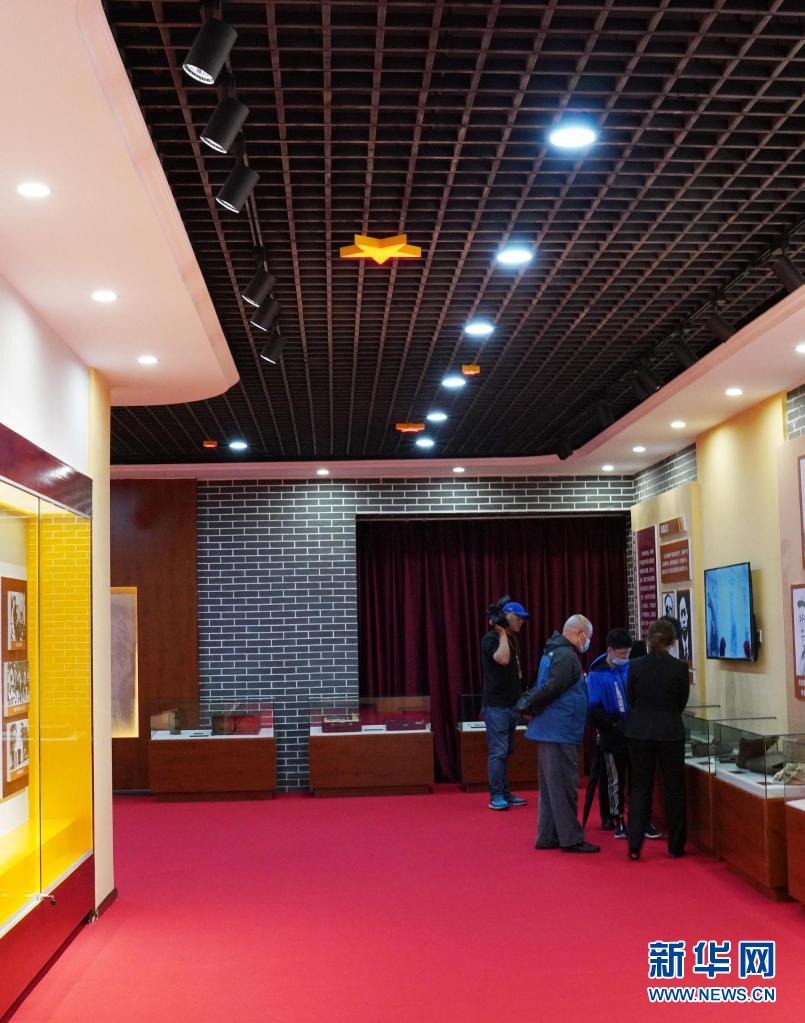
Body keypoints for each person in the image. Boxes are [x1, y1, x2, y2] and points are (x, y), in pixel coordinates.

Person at [518, 614, 600, 853]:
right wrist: (528, 705)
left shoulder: (554, 651)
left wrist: (530, 705)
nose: (588, 641)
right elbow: (552, 688)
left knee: (550, 789)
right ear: (579, 633)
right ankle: (571, 838)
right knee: (564, 787)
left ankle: (548, 836)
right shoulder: (566, 656)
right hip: (559, 731)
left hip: (551, 730)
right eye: (588, 636)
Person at [586, 629, 662, 841]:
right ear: (610, 651)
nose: (625, 657)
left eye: (628, 653)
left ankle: (641, 819)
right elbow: (593, 708)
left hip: (636, 732)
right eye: (622, 653)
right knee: (615, 780)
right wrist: (613, 725)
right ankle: (617, 818)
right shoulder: (596, 674)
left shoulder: (633, 667)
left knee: (640, 779)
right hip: (612, 733)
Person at [625, 619, 690, 860]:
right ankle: (676, 846)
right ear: (673, 641)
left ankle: (634, 844)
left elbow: (631, 698)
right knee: (674, 789)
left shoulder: (635, 666)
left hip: (639, 731)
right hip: (670, 732)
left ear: (648, 639)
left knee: (640, 787)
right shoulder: (680, 668)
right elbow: (681, 701)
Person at [480, 599, 530, 811]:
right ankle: (496, 795)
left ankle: (505, 792)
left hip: (511, 705)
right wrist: (501, 633)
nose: (522, 622)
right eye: (519, 617)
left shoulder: (512, 639)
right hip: (496, 706)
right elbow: (502, 659)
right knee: (498, 751)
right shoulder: (491, 639)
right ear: (506, 617)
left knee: (506, 751)